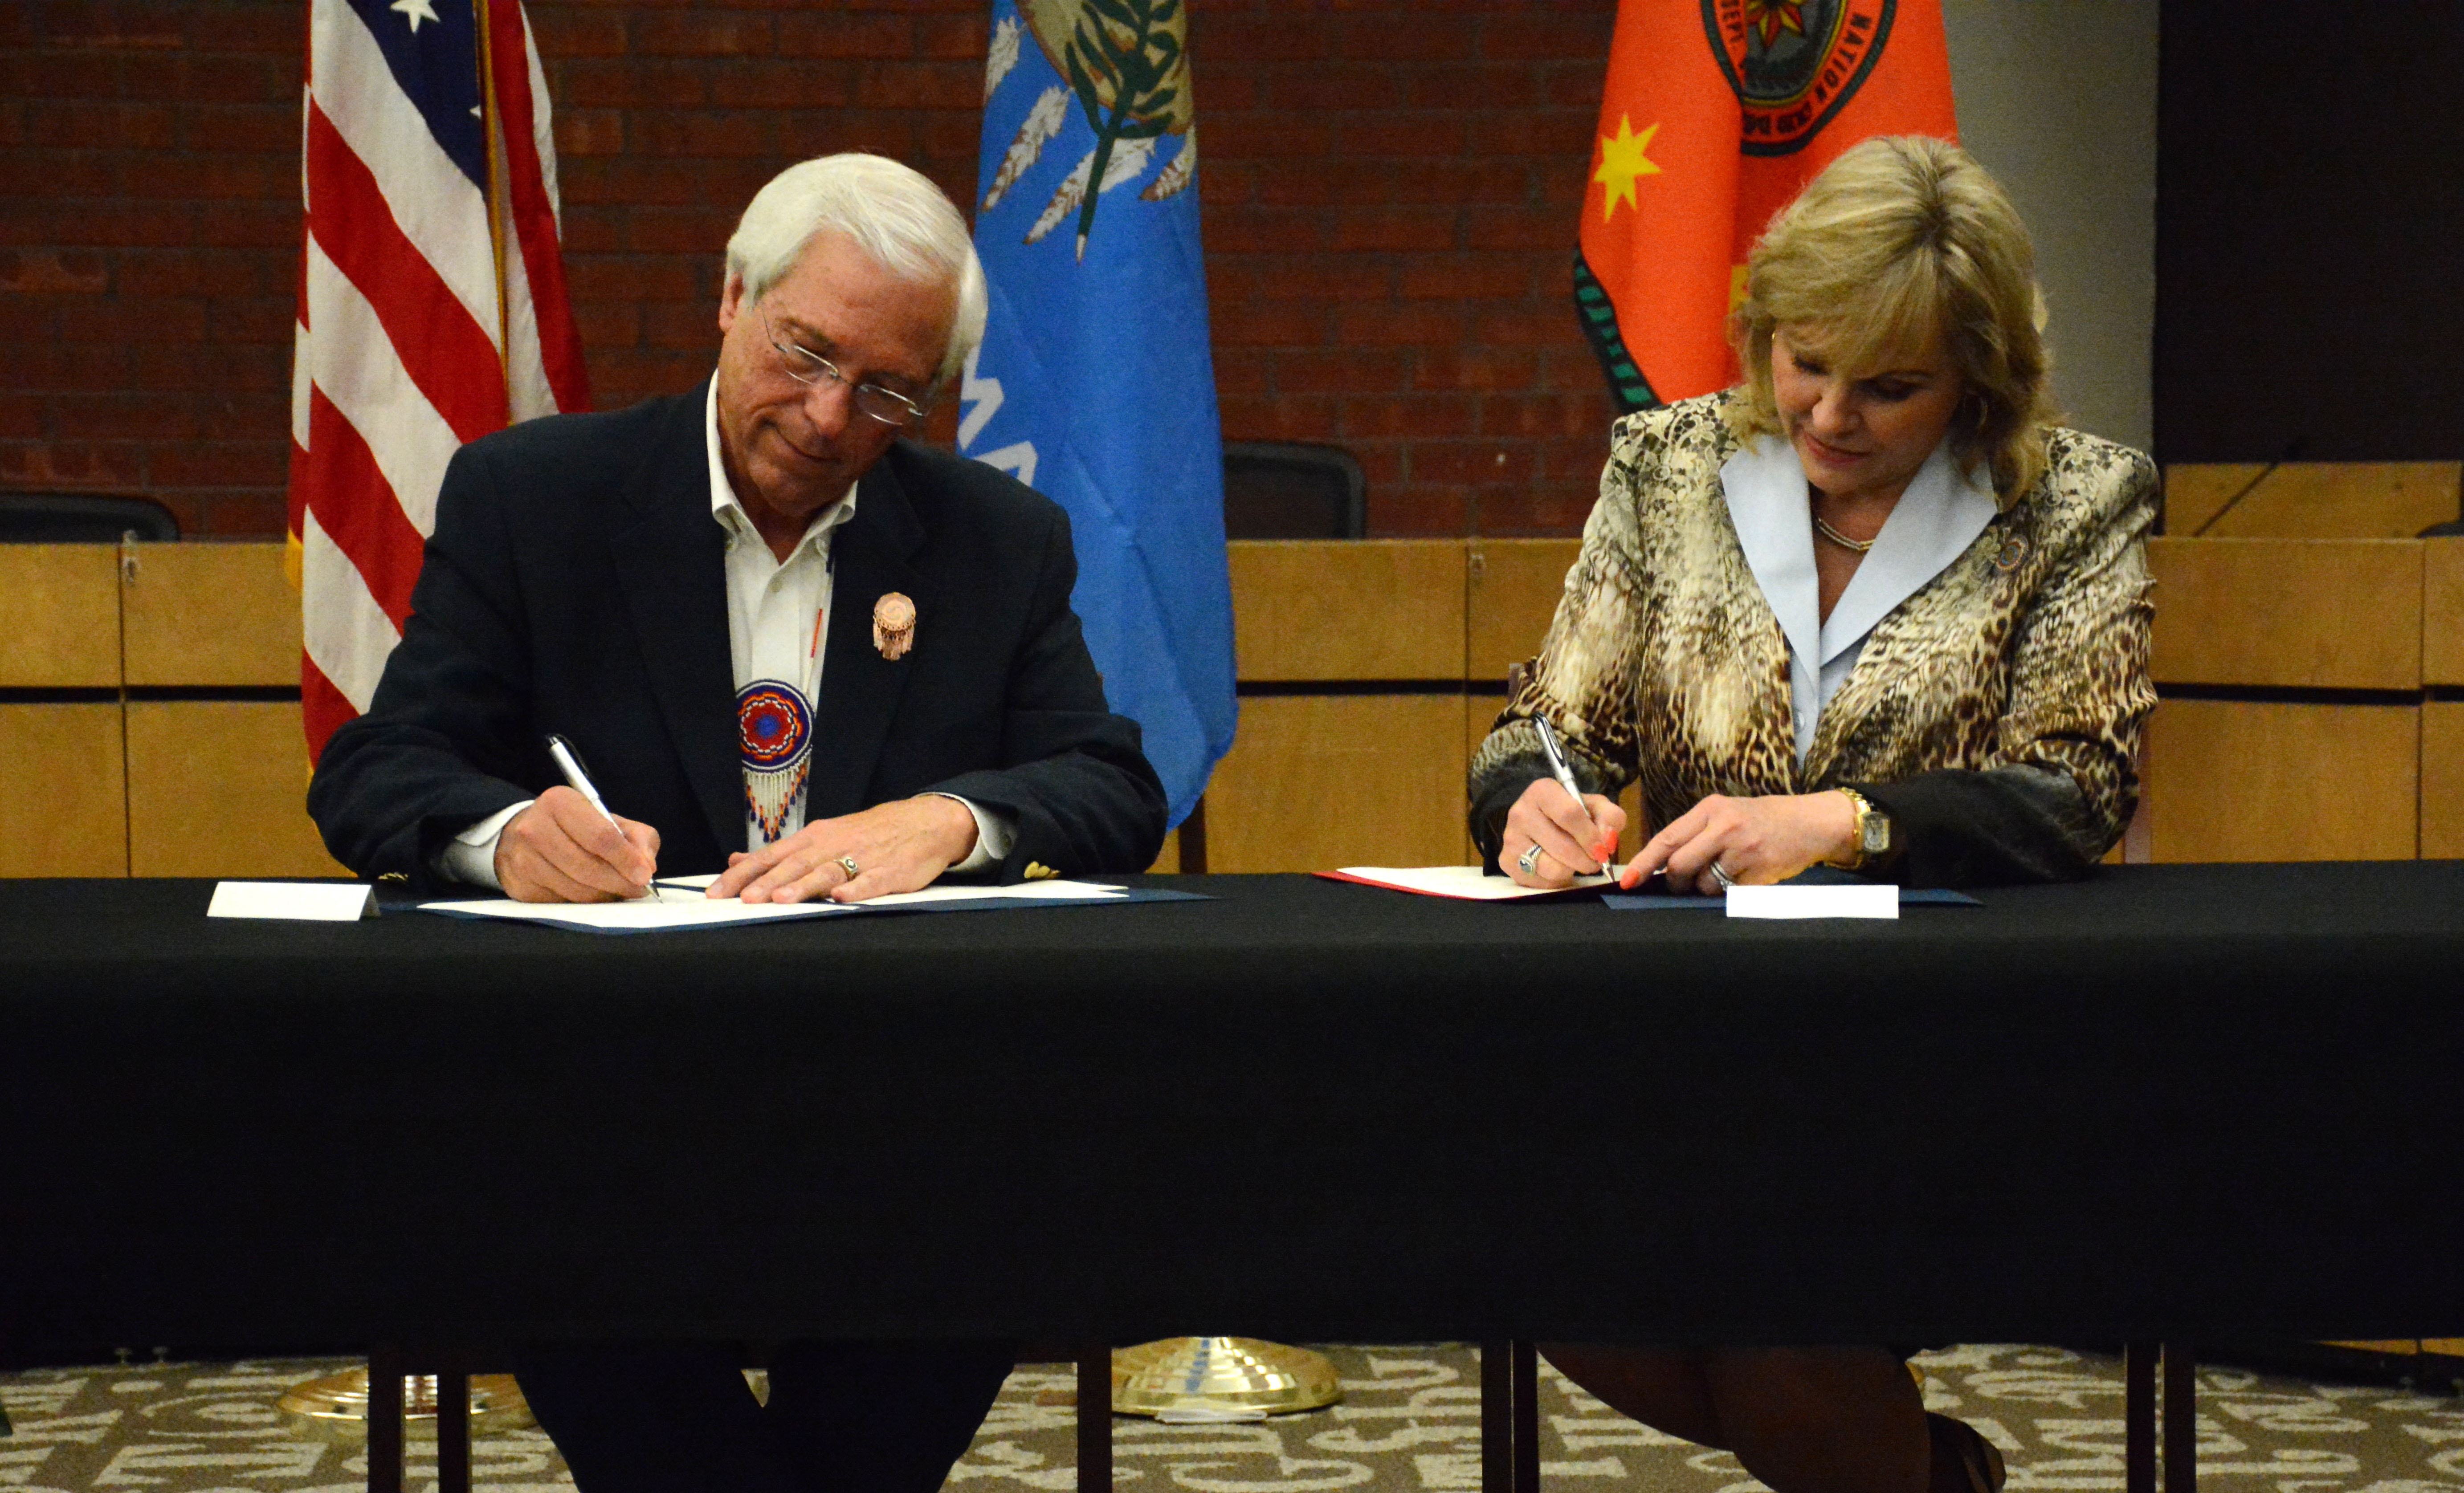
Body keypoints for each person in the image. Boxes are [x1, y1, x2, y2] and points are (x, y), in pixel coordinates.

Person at [309, 153, 1168, 1492]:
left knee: (989, 1221)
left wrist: (947, 818)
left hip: (900, 1125)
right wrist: (502, 834)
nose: (828, 417)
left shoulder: (995, 539)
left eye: (888, 390)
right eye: (803, 352)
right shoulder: (536, 499)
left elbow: (1115, 787)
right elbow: (374, 769)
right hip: (599, 1119)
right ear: (729, 299)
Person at [1467, 136, 2156, 1493]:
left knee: (1779, 1317)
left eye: (1888, 387)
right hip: (1693, 1034)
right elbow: (1545, 721)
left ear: (1976, 380)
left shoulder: (2073, 499)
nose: (1830, 414)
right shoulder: (1666, 468)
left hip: (1943, 1044)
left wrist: (1844, 818)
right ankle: (1926, 1476)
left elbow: (2081, 787)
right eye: (1802, 362)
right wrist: (1530, 798)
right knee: (1538, 1259)